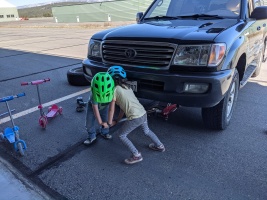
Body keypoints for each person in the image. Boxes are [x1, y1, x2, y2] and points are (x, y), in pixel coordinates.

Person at [107, 66, 165, 164]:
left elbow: (111, 109)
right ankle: (159, 145)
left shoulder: (114, 90)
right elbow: (122, 107)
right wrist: (117, 120)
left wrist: (109, 122)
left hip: (135, 117)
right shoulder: (127, 86)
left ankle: (136, 155)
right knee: (146, 131)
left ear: (113, 79)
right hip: (143, 112)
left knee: (122, 135)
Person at [83, 72, 115, 145]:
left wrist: (109, 122)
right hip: (92, 108)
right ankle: (91, 136)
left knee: (106, 120)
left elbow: (111, 109)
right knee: (89, 123)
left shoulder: (113, 94)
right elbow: (95, 111)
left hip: (105, 107)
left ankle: (105, 132)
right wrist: (101, 123)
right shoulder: (93, 96)